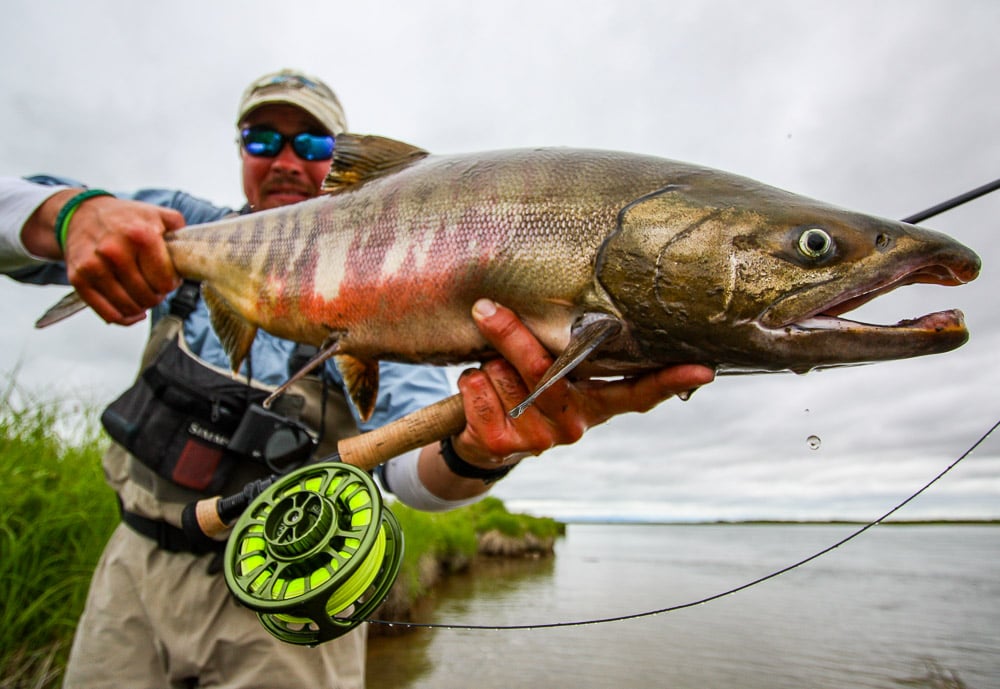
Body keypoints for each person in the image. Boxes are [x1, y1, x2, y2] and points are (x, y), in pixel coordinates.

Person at [0, 69, 715, 688]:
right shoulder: (182, 226)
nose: (285, 159)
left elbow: (409, 476)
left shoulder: (404, 277)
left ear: (339, 164)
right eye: (263, 140)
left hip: (300, 593)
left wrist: (484, 448)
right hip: (132, 569)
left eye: (310, 144)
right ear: (240, 151)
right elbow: (17, 220)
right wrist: (71, 216)